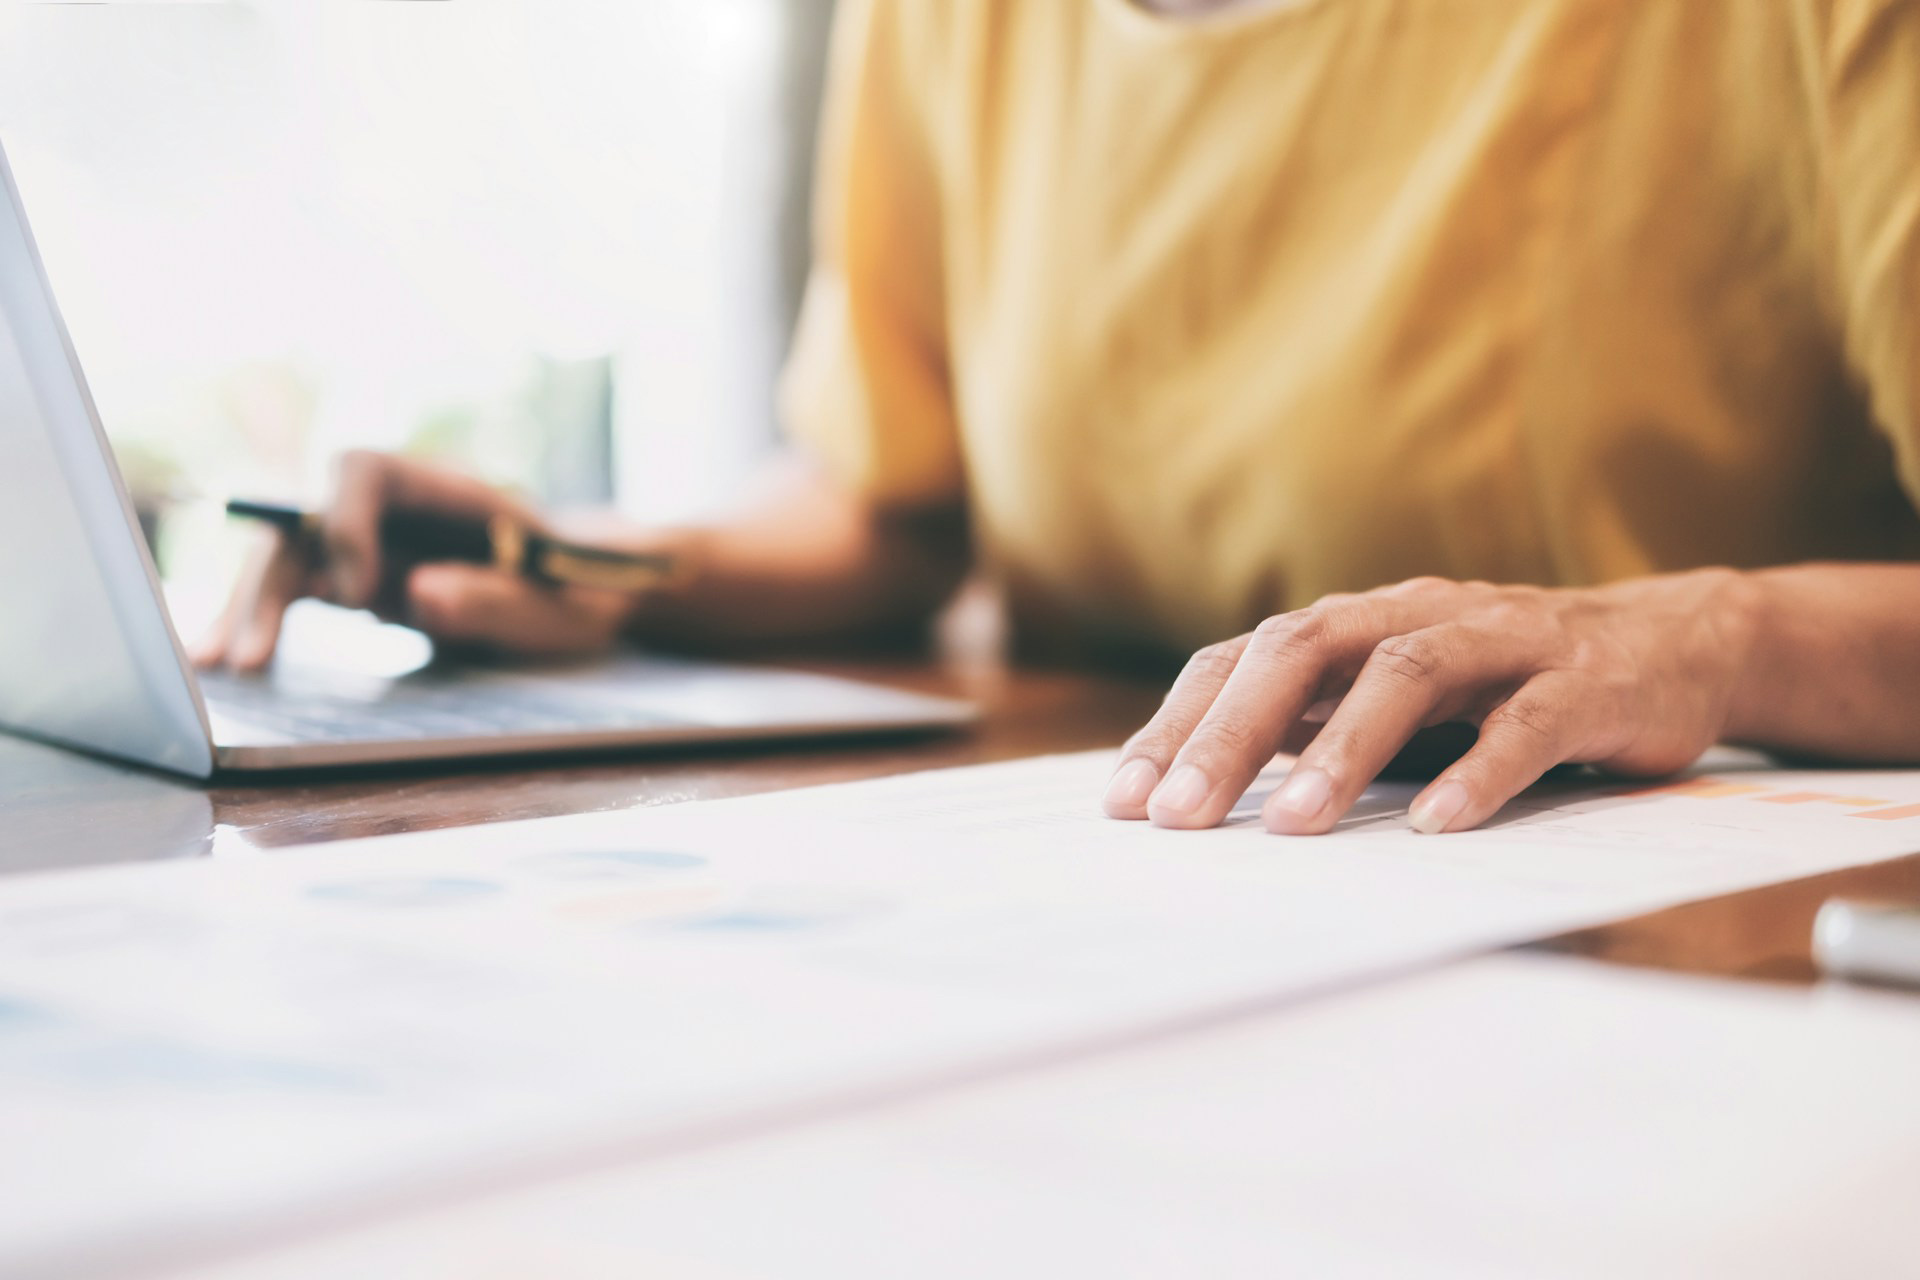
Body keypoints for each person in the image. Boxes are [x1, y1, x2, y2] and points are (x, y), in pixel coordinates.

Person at [197, 0, 1920, 837]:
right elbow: (891, 498)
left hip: (1656, 912)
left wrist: (1711, 634)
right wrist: (565, 555)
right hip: (1159, 862)